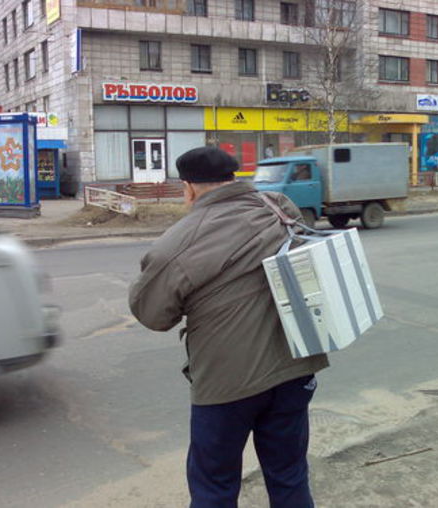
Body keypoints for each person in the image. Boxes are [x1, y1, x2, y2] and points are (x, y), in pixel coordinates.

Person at [128, 146, 329, 507]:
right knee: (289, 475)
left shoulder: (180, 239)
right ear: (233, 178)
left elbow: (153, 314)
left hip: (227, 384)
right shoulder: (277, 208)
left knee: (214, 487)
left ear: (187, 188)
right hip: (294, 368)